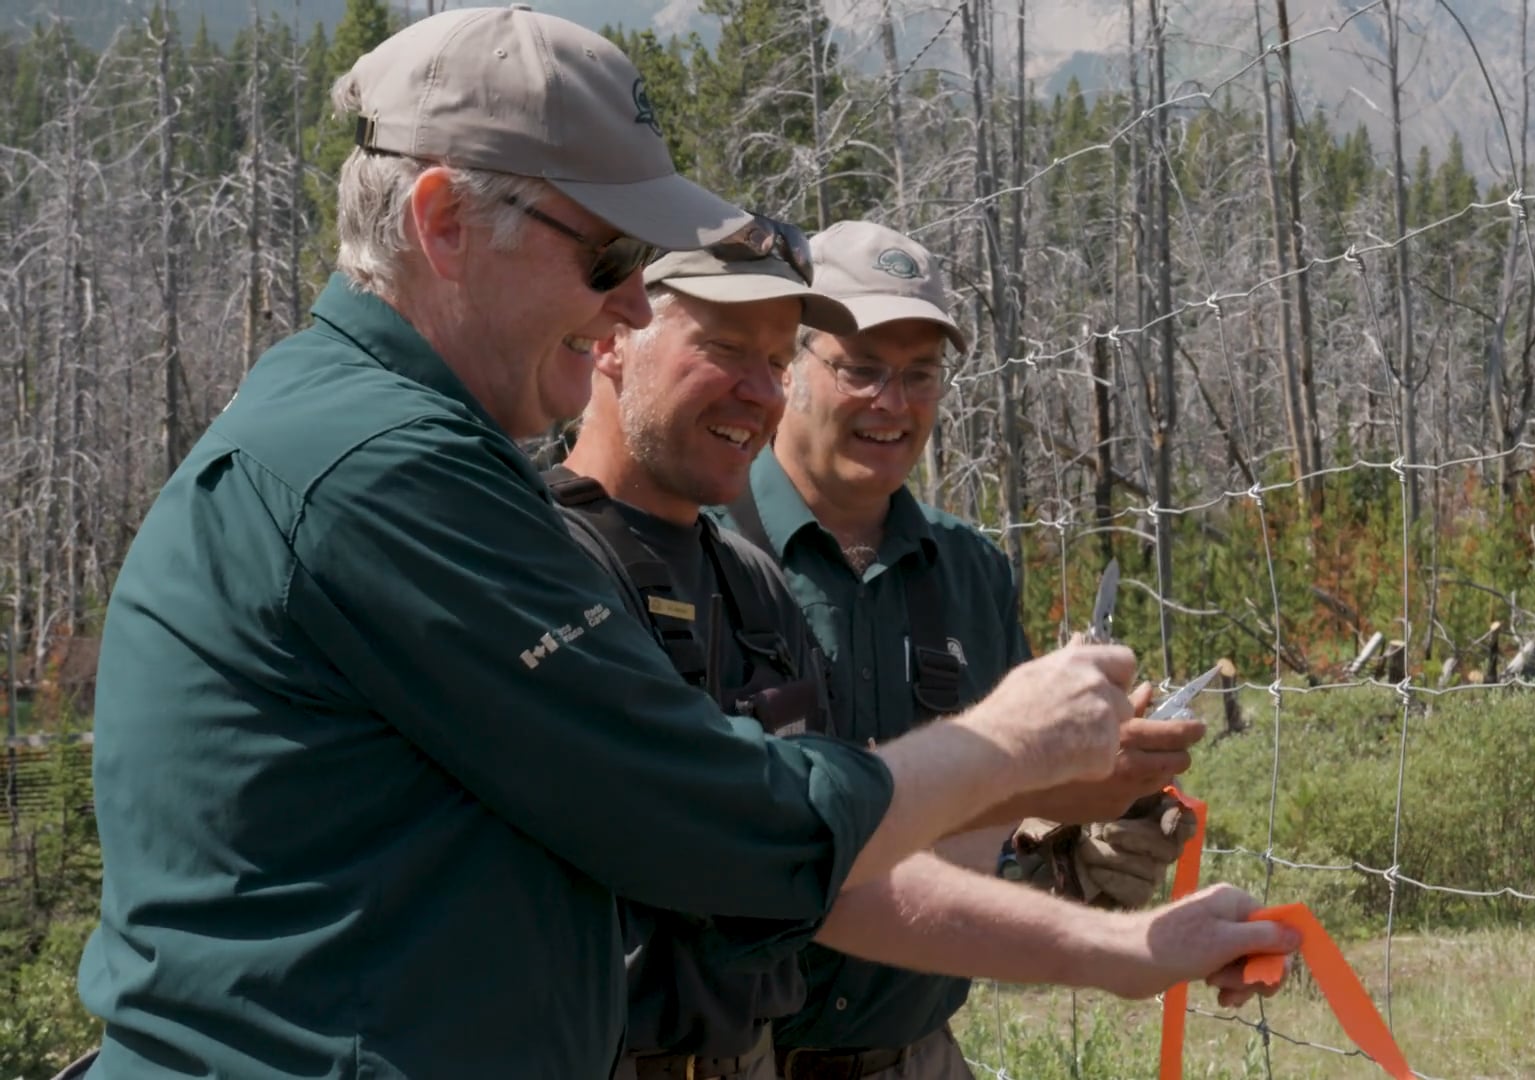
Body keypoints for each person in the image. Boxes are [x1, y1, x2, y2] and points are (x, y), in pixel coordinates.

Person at [70, 11, 1187, 1078]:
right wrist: (1009, 747)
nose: (627, 307)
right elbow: (722, 823)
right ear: (443, 223)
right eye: (609, 258)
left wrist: (1087, 897)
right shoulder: (387, 472)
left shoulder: (394, 446)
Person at [555, 235, 1300, 1080]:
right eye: (725, 347)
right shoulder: (536, 563)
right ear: (612, 332)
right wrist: (1016, 756)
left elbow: (837, 869)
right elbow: (773, 843)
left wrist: (1094, 881)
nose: (889, 402)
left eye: (919, 374)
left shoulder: (754, 583)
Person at [715, 221, 1208, 1080]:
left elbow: (986, 823)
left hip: (917, 1056)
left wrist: (1087, 815)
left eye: (919, 375)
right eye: (860, 368)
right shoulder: (702, 546)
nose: (892, 404)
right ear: (788, 365)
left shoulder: (972, 572)